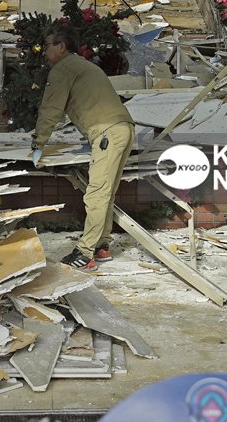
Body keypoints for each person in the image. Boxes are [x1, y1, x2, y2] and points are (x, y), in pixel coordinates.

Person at [31, 24, 134, 270]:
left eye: (47, 46)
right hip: (124, 129)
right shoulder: (83, 66)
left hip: (107, 133)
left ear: (61, 47)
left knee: (96, 194)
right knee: (105, 193)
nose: (44, 52)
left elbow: (51, 109)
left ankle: (85, 253)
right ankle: (102, 246)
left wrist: (38, 144)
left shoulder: (63, 69)